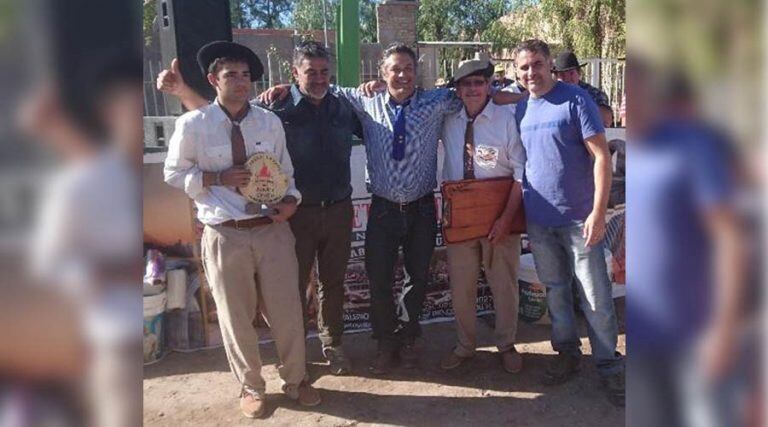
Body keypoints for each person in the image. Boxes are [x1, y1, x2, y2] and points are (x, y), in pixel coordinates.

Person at [260, 43, 522, 375]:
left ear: (416, 73)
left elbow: (480, 94)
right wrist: (285, 88)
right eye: (395, 69)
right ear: (382, 74)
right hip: (383, 209)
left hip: (422, 208)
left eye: (408, 69)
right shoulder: (361, 100)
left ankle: (409, 339)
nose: (402, 75)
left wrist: (521, 98)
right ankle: (385, 343)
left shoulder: (437, 101)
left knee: (417, 279)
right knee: (380, 280)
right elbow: (318, 88)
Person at [157, 40, 361, 376]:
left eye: (325, 72)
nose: (319, 78)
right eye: (311, 72)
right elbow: (218, 115)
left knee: (331, 284)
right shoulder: (277, 109)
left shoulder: (342, 108)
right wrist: (182, 92)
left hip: (329, 210)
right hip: (289, 216)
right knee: (288, 292)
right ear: (295, 74)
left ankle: (328, 348)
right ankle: (284, 365)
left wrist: (374, 84)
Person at [513, 39, 624, 406]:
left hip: (580, 219)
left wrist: (597, 212)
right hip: (540, 221)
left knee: (595, 296)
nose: (532, 72)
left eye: (538, 65)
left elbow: (601, 157)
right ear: (517, 71)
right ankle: (568, 354)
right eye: (525, 67)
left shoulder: (576, 99)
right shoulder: (520, 108)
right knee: (556, 291)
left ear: (550, 66)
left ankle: (608, 364)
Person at [437, 55, 526, 374]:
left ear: (489, 85)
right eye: (466, 84)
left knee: (504, 284)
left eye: (479, 82)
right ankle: (465, 345)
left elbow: (521, 172)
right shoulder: (448, 118)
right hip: (461, 215)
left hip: (500, 212)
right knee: (461, 287)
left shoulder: (506, 118)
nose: (473, 89)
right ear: (457, 90)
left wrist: (505, 218)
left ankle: (506, 344)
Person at [552, 50, 614, 127]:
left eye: (571, 73)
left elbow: (605, 120)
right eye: (562, 75)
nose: (567, 78)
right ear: (556, 77)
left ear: (579, 73)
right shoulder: (550, 97)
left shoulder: (595, 94)